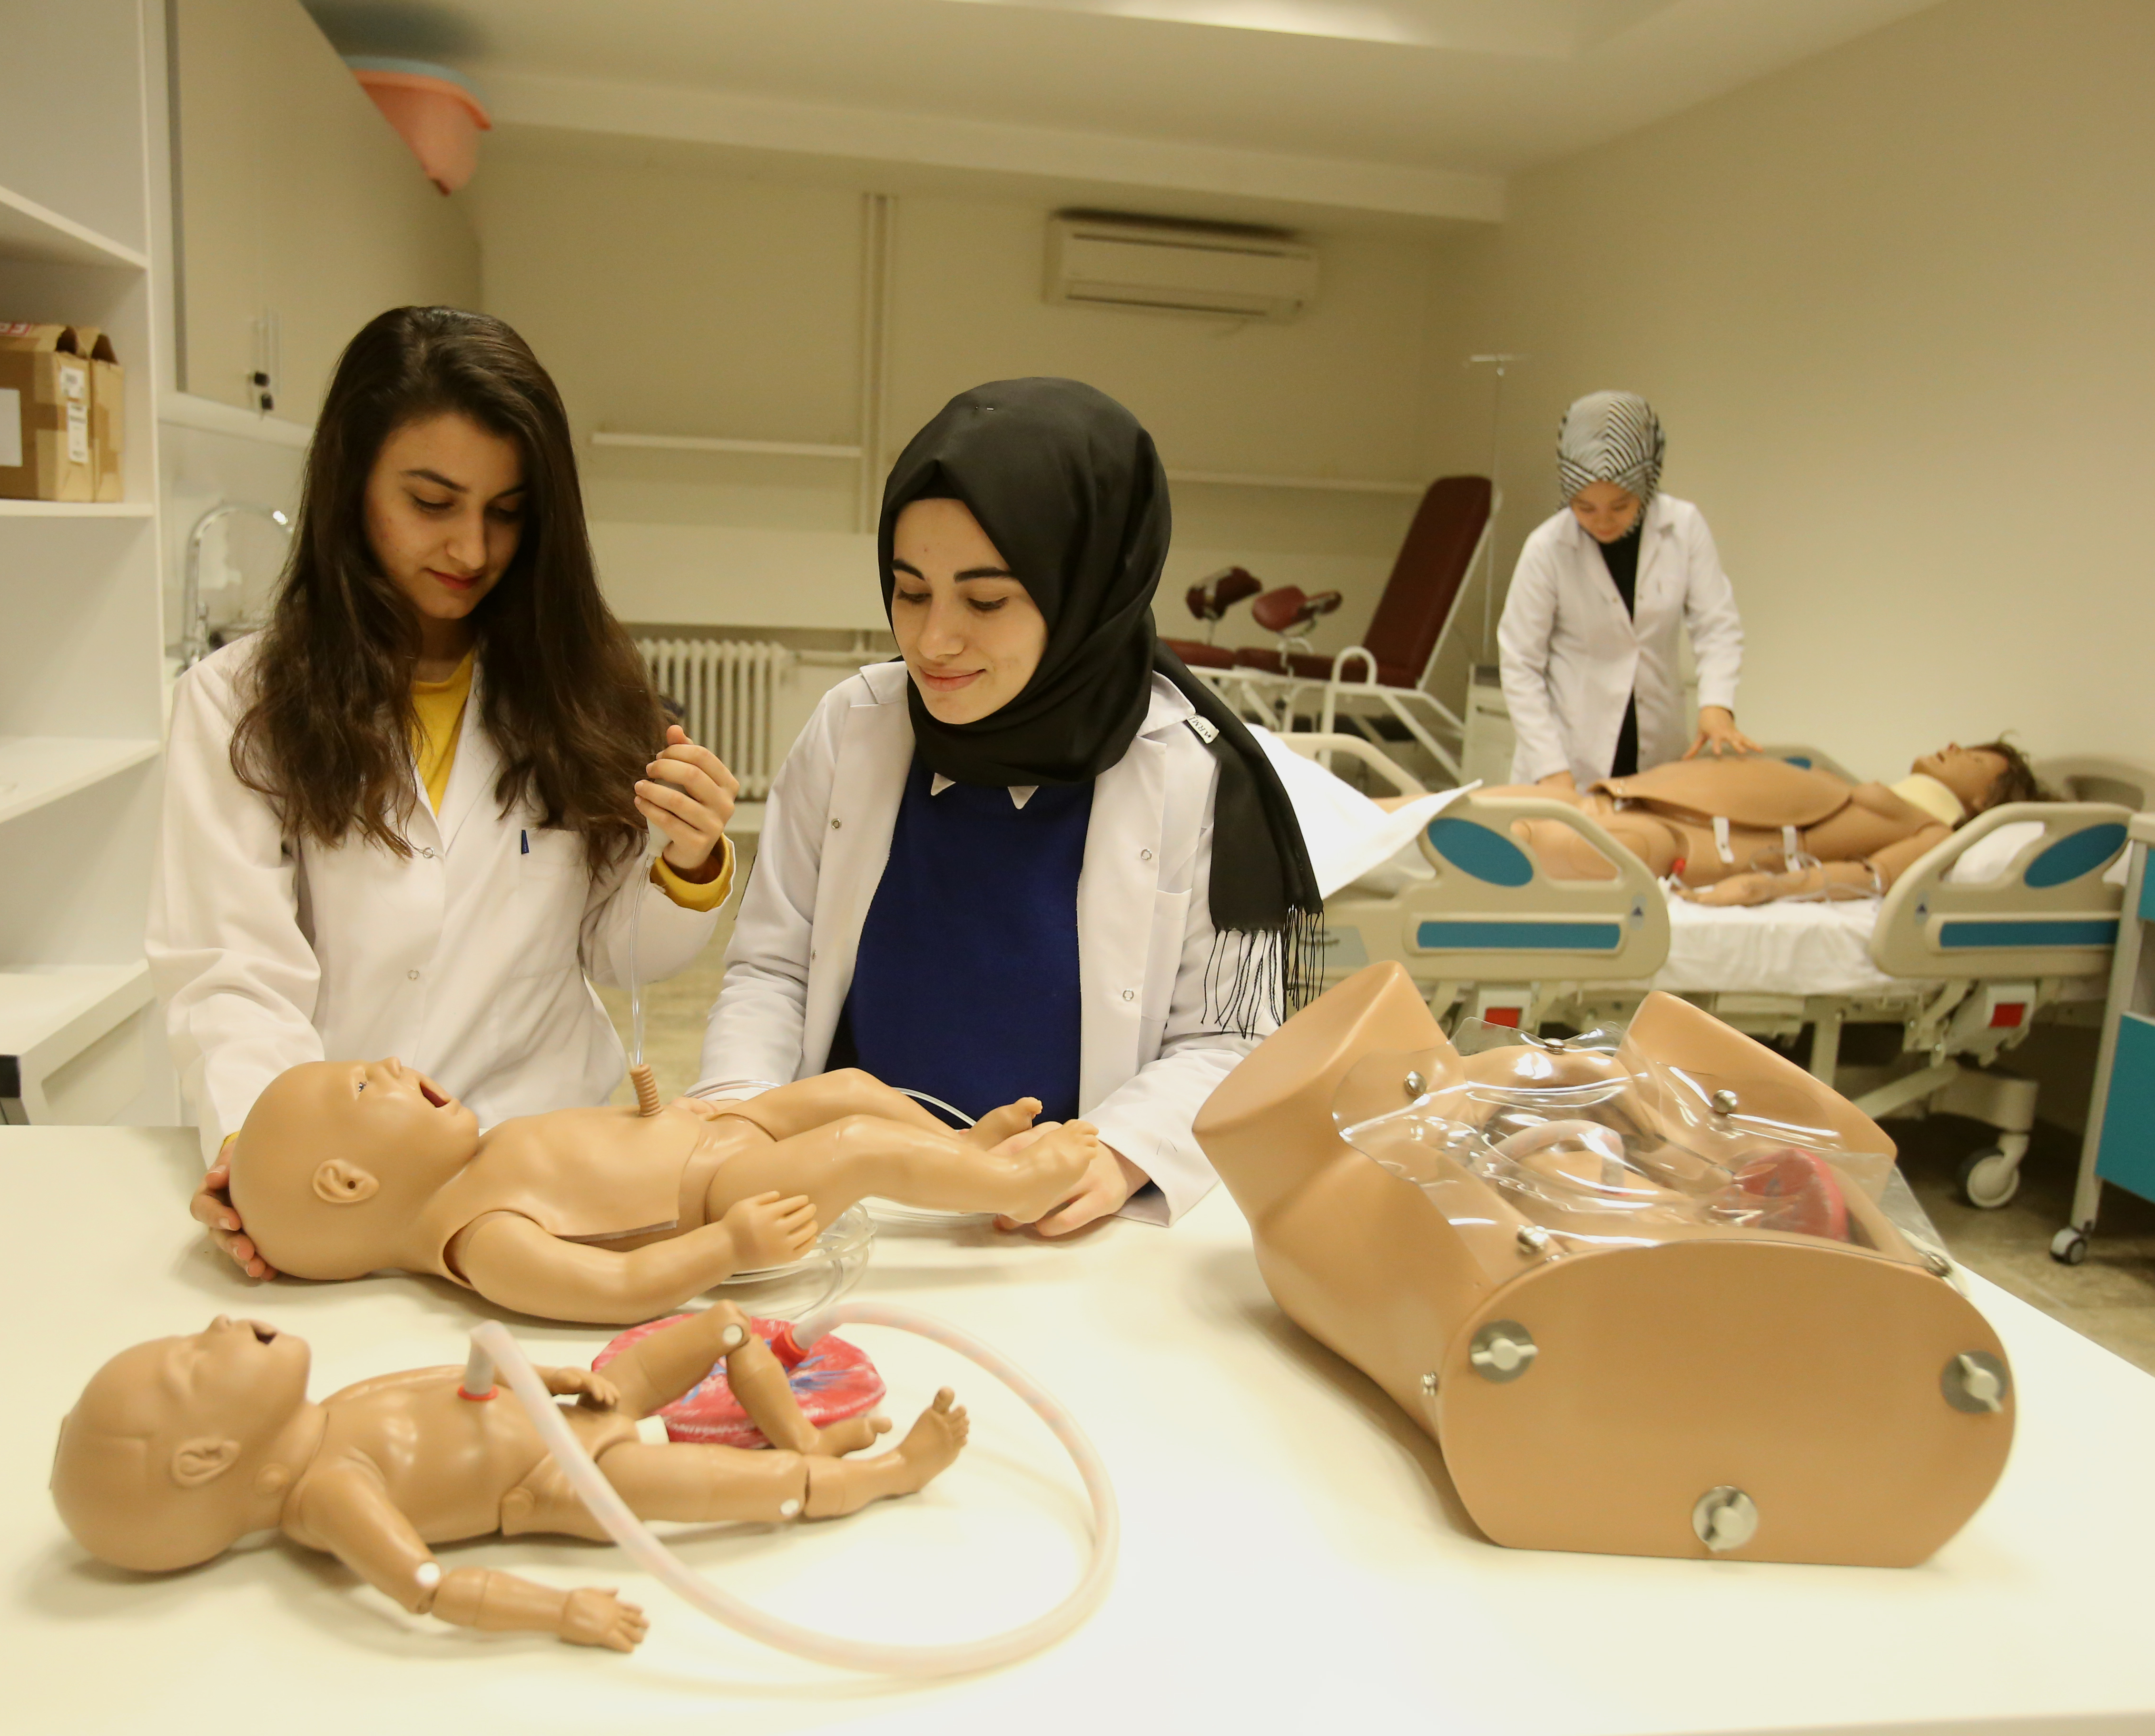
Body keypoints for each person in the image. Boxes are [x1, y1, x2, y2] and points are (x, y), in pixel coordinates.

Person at [149, 307, 740, 1280]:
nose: (472, 548)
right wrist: (266, 1161)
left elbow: (616, 951)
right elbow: (232, 971)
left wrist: (690, 860)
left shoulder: (582, 690)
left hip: (548, 1162)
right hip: (351, 1187)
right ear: (350, 485)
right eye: (432, 502)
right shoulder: (238, 705)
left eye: (506, 511)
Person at [692, 378, 1323, 1235]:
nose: (932, 640)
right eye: (910, 591)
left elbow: (1229, 1038)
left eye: (985, 600)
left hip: (1054, 1224)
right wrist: (741, 1116)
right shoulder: (853, 729)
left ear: (1086, 592)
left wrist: (1118, 1151)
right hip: (842, 1205)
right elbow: (774, 970)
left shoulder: (1192, 774)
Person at [50, 1304, 968, 1651]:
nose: (217, 1323)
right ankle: (886, 1473)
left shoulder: (328, 1408)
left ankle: (808, 1444)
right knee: (757, 1493)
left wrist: (558, 1374)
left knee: (726, 1325)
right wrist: (562, 1611)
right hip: (569, 1477)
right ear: (205, 1459)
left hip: (574, 1406)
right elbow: (428, 1586)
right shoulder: (329, 1494)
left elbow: (456, 1378)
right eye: (193, 1360)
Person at [222, 1055, 1099, 1324]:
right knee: (859, 1147)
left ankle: (957, 1150)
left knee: (850, 1087)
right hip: (724, 1191)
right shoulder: (482, 1238)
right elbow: (616, 1287)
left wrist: (657, 1114)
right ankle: (1008, 1184)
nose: (386, 1063)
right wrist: (728, 1245)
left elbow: (588, 1156)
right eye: (362, 1086)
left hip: (717, 1132)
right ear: (348, 1181)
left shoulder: (473, 1165)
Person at [1422, 740, 2047, 905]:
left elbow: (1868, 878)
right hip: (1623, 800)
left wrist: (1762, 887)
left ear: (1984, 800)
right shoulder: (1864, 789)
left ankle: (1390, 871)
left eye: (1973, 759)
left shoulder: (1934, 835)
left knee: (1510, 836)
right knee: (1450, 805)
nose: (1953, 746)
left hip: (1677, 843)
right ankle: (1363, 830)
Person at [1498, 392, 1752, 792]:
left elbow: (1716, 627)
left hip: (1656, 751)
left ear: (1646, 486)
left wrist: (1717, 706)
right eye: (1585, 507)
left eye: (1620, 506)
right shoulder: (1548, 548)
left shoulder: (1683, 528)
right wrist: (1550, 768)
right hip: (1568, 756)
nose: (1602, 521)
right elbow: (1520, 664)